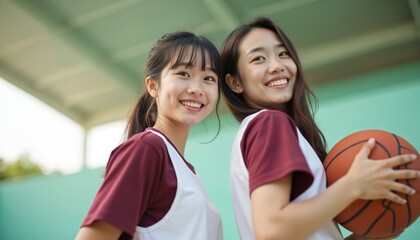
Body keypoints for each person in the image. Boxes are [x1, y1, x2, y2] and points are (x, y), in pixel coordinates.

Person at [219, 17, 420, 240]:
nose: (277, 65)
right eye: (259, 58)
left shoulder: (263, 130)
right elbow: (271, 231)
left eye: (283, 54)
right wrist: (353, 185)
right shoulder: (270, 123)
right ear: (235, 83)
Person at [76, 31, 223, 240]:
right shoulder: (146, 149)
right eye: (183, 73)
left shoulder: (184, 170)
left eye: (209, 78)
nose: (196, 89)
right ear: (153, 86)